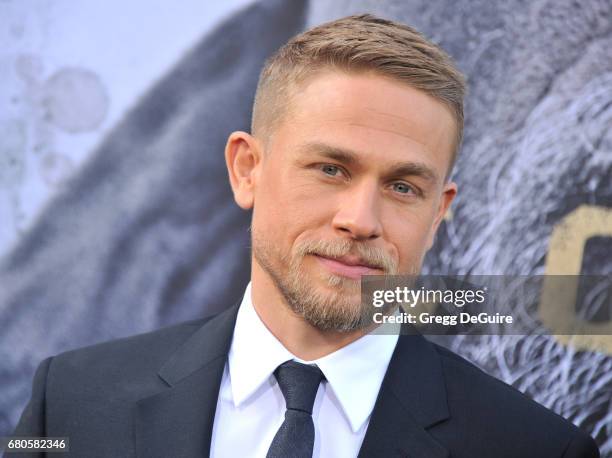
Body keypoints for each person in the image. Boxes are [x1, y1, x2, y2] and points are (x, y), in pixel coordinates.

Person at [12, 14, 599, 458]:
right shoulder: (69, 402)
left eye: (402, 187)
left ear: (439, 210)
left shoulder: (536, 448)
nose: (361, 219)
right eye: (331, 169)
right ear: (247, 169)